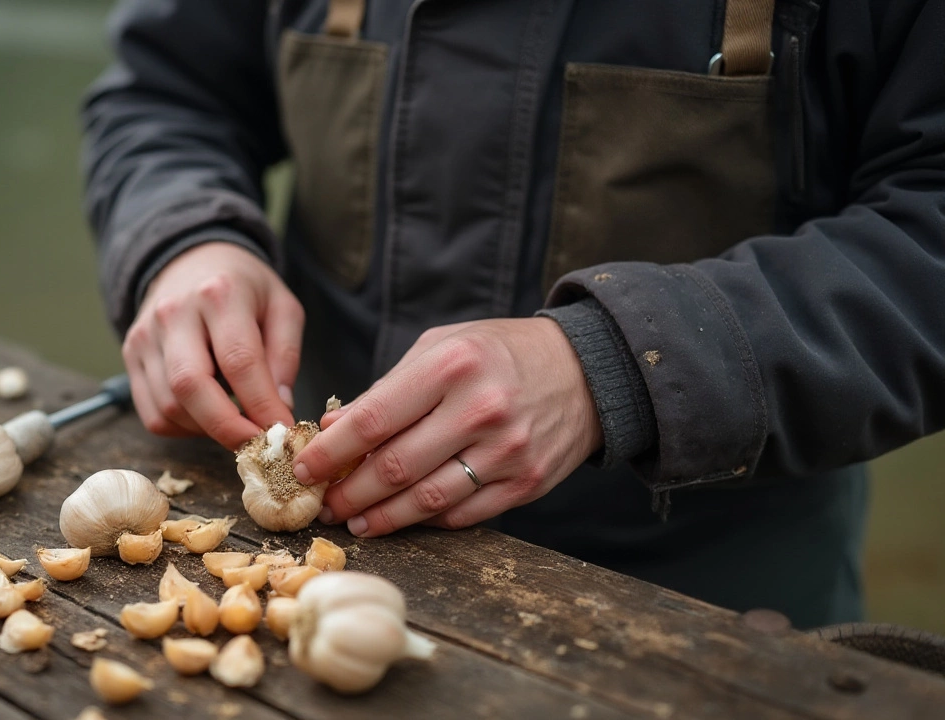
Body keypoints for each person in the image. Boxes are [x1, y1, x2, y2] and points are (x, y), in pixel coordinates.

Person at [81, 0, 945, 628]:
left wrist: (616, 363)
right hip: (307, 584)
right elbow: (166, 93)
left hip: (707, 605)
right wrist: (183, 236)